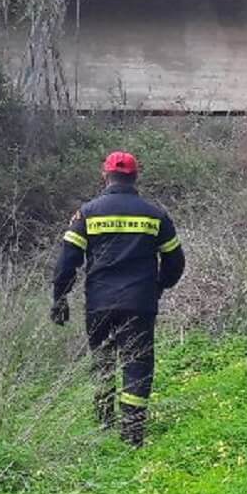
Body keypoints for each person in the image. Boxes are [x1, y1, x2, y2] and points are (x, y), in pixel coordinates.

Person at [51, 151, 186, 446]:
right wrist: (159, 286)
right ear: (135, 176)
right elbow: (175, 262)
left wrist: (59, 299)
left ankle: (103, 422)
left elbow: (66, 263)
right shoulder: (155, 215)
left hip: (99, 304)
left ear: (105, 175)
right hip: (140, 304)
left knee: (103, 361)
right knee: (137, 365)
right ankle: (132, 434)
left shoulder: (87, 213)